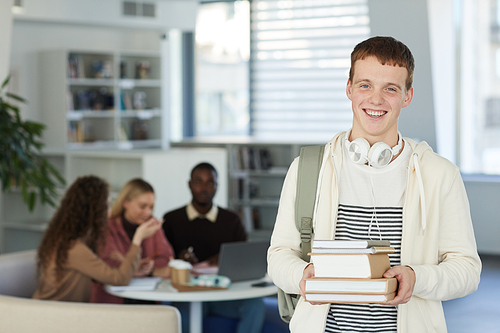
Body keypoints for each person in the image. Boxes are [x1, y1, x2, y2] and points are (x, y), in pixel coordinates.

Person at [267, 36, 482, 333]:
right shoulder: (307, 169)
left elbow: (467, 271)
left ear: (407, 96)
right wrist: (302, 273)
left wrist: (416, 278)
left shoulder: (440, 175)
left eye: (390, 89)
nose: (376, 100)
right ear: (349, 89)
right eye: (365, 85)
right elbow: (278, 255)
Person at [163, 162, 266, 333]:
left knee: (255, 306)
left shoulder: (232, 220)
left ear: (217, 186)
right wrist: (179, 261)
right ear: (189, 184)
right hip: (188, 293)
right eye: (198, 182)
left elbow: (244, 258)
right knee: (183, 318)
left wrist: (226, 259)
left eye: (210, 183)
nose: (204, 188)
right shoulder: (172, 219)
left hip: (225, 293)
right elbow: (163, 259)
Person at [33, 175, 162, 302]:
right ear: (94, 211)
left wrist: (132, 267)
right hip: (52, 314)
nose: (109, 211)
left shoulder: (71, 240)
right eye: (106, 206)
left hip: (62, 311)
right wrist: (137, 239)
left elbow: (103, 271)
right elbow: (120, 279)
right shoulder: (74, 248)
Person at [91, 178, 174, 304]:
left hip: (149, 295)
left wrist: (150, 267)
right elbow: (108, 266)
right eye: (142, 206)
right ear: (126, 203)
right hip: (115, 298)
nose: (148, 212)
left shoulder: (153, 226)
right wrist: (135, 265)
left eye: (151, 207)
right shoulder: (107, 227)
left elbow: (167, 258)